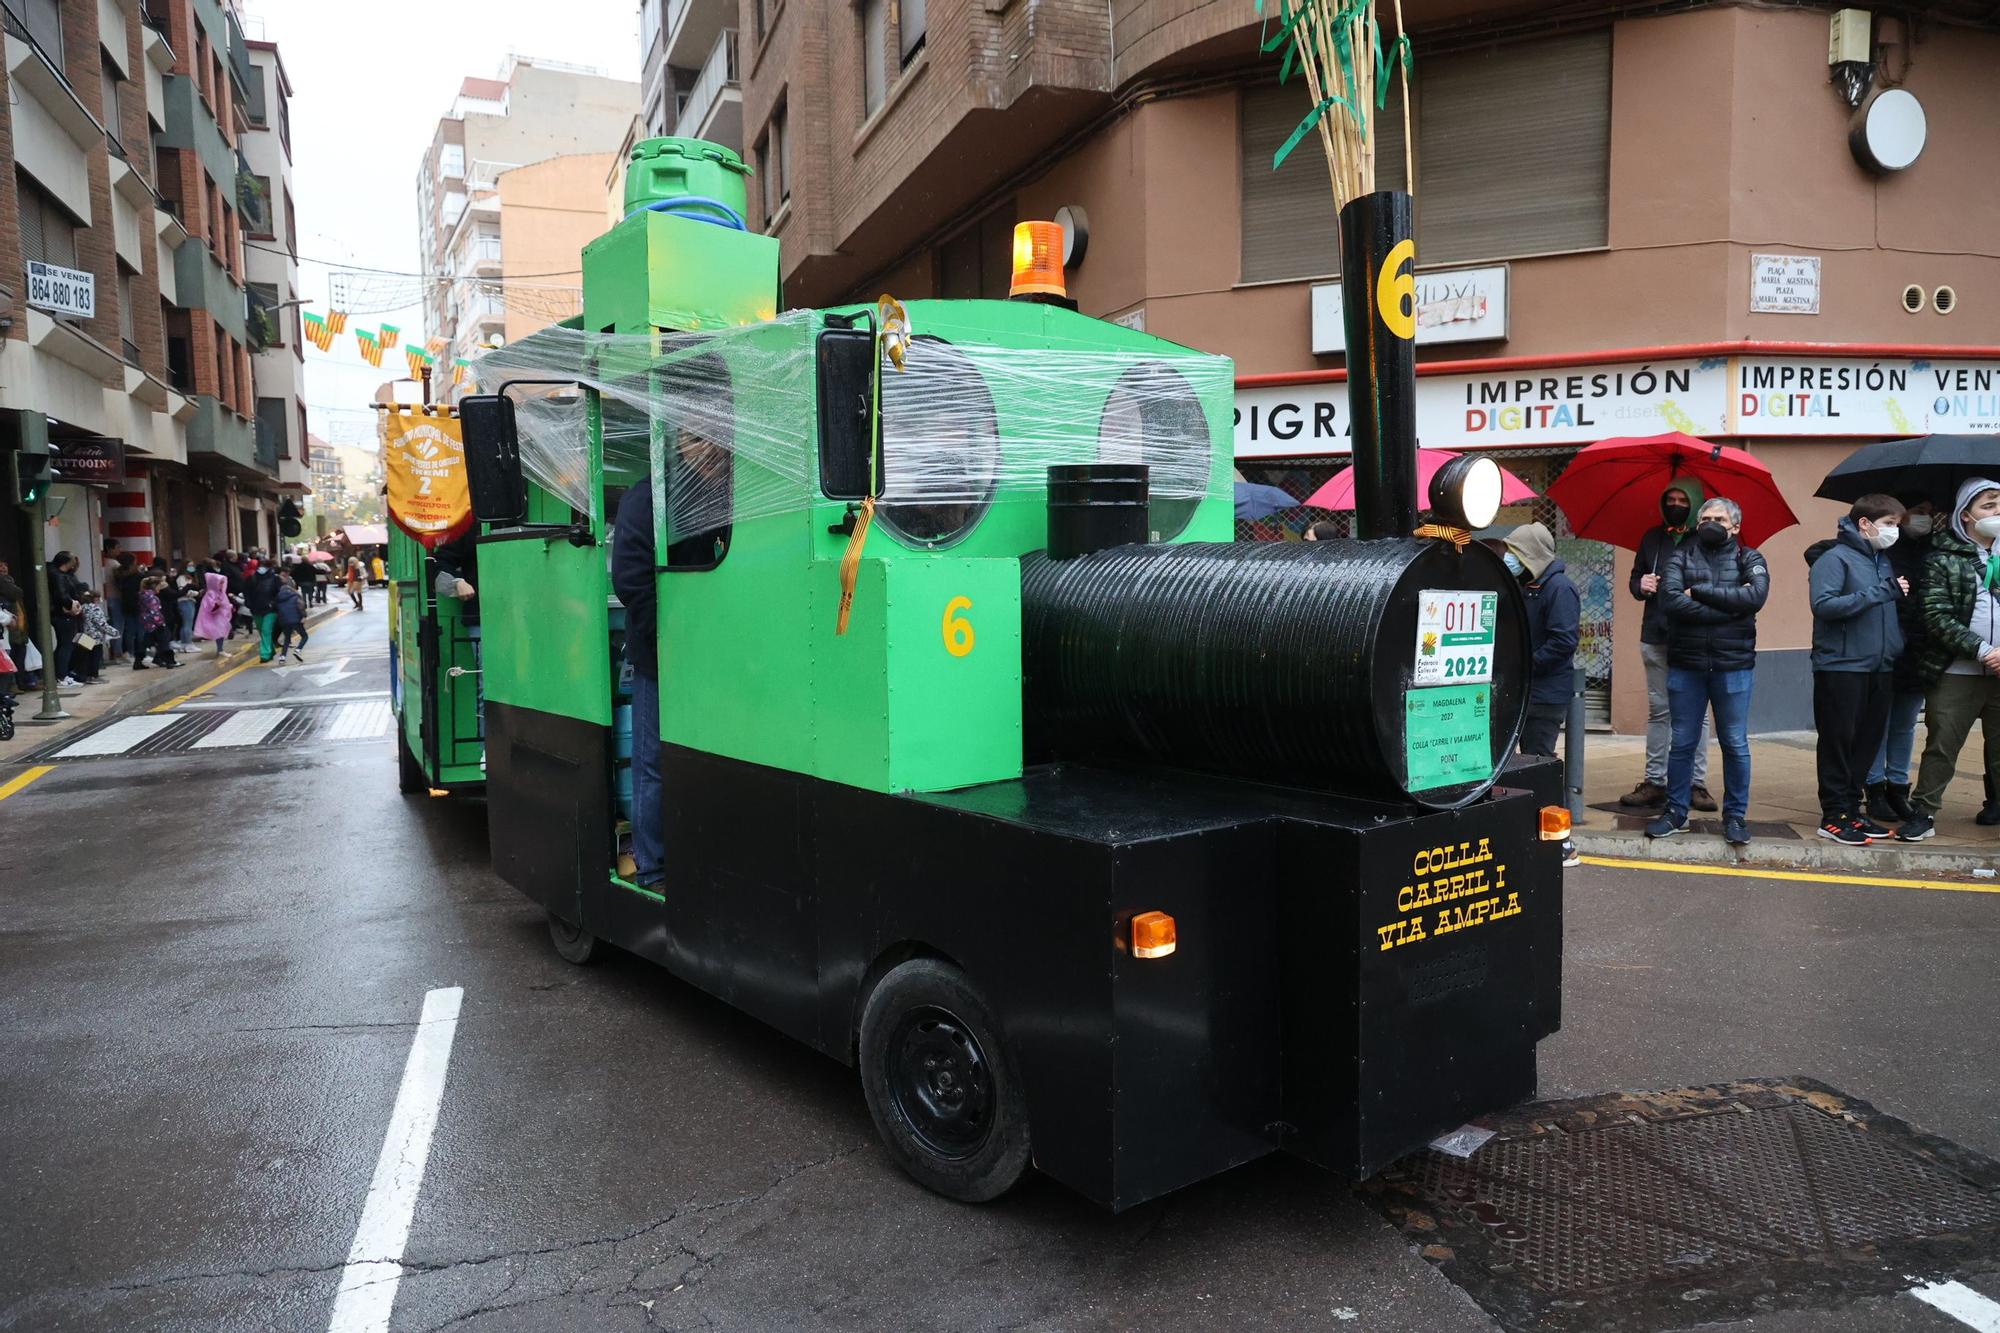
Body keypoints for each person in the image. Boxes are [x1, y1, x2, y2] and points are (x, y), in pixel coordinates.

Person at [1648, 496, 1769, 846]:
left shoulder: (1751, 558)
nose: (1710, 523)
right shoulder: (1679, 556)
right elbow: (1670, 601)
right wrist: (1732, 607)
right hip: (1687, 666)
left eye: (1718, 518)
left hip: (1734, 667)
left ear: (1735, 526)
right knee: (1683, 742)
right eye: (1705, 518)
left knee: (1734, 743)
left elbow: (1756, 598)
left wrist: (1699, 591)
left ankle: (1735, 817)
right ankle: (1675, 812)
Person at [1897, 478, 2000, 842]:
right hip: (1958, 671)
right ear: (1966, 516)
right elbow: (1936, 615)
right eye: (1988, 505)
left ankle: (1996, 805)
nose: (1997, 511)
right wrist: (1984, 651)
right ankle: (1923, 812)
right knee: (1942, 745)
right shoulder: (1943, 559)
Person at [1806, 495, 1907, 845]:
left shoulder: (1881, 560)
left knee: (1866, 743)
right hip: (1841, 666)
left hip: (1879, 666)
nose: (1895, 531)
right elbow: (1824, 606)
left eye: (1897, 524)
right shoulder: (1834, 559)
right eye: (1890, 523)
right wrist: (1882, 592)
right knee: (1838, 743)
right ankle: (1833, 815)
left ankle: (1852, 809)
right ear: (1865, 523)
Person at [1622, 479, 1717, 812]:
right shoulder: (1653, 538)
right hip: (1656, 635)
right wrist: (1642, 584)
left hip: (1693, 638)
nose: (1675, 505)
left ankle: (1696, 783)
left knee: (1697, 716)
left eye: (1683, 500)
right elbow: (1635, 580)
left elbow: (1718, 582)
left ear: (1695, 505)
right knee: (1659, 712)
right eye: (1670, 499)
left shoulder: (1706, 539)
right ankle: (1655, 781)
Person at [611, 476, 664, 891]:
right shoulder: (649, 495)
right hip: (658, 655)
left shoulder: (731, 494)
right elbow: (631, 581)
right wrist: (666, 640)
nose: (708, 452)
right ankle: (653, 867)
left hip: (722, 653)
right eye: (693, 438)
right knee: (654, 762)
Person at [1506, 523, 1582, 757]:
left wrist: (1525, 665)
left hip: (1545, 695)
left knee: (1537, 759)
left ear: (1532, 554)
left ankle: (1545, 796)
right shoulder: (1526, 587)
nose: (1509, 559)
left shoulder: (1559, 588)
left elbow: (1563, 642)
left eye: (1515, 553)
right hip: (1526, 690)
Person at [46, 551, 86, 688]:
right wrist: (71, 605)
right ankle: (61, 676)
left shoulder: (63, 575)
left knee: (66, 645)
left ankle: (62, 674)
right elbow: (61, 595)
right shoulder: (58, 577)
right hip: (64, 615)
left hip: (65, 614)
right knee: (67, 645)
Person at [193, 564, 234, 655]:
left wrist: (229, 607)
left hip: (222, 616)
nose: (222, 585)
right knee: (219, 633)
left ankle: (221, 649)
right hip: (216, 617)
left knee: (222, 632)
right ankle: (220, 650)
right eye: (220, 583)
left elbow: (225, 602)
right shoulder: (211, 593)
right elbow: (208, 606)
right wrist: (216, 605)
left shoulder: (220, 592)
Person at [245, 561, 281, 662]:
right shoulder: (251, 579)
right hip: (256, 609)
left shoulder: (275, 579)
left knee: (266, 630)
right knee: (262, 631)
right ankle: (270, 650)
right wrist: (249, 604)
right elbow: (247, 593)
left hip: (270, 610)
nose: (261, 568)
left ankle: (264, 654)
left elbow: (279, 593)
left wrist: (274, 604)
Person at [274, 573, 308, 661]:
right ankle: (298, 650)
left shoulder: (278, 598)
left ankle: (282, 656)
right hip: (296, 620)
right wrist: (303, 616)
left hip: (284, 621)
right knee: (304, 636)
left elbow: (276, 609)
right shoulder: (295, 596)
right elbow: (301, 606)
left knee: (287, 639)